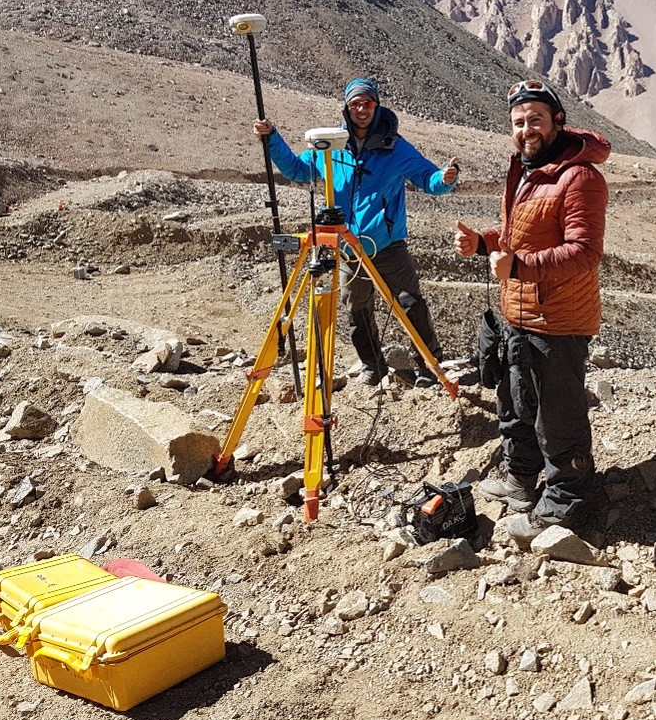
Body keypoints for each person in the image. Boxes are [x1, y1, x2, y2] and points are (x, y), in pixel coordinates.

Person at [453, 79, 610, 546]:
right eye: (519, 122)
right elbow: (517, 233)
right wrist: (484, 243)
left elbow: (584, 253)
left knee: (557, 418)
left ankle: (566, 504)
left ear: (558, 121)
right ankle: (521, 480)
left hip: (558, 320)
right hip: (520, 311)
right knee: (517, 402)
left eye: (536, 119)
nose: (527, 129)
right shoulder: (526, 168)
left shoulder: (580, 177)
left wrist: (519, 267)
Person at [255, 78, 459, 387]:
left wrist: (445, 179)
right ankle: (373, 367)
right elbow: (298, 170)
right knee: (356, 308)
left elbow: (427, 178)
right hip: (349, 248)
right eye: (355, 104)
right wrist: (272, 138)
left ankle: (429, 367)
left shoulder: (396, 147)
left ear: (376, 106)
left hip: (386, 245)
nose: (361, 110)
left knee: (410, 304)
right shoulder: (331, 146)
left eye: (368, 103)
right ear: (346, 108)